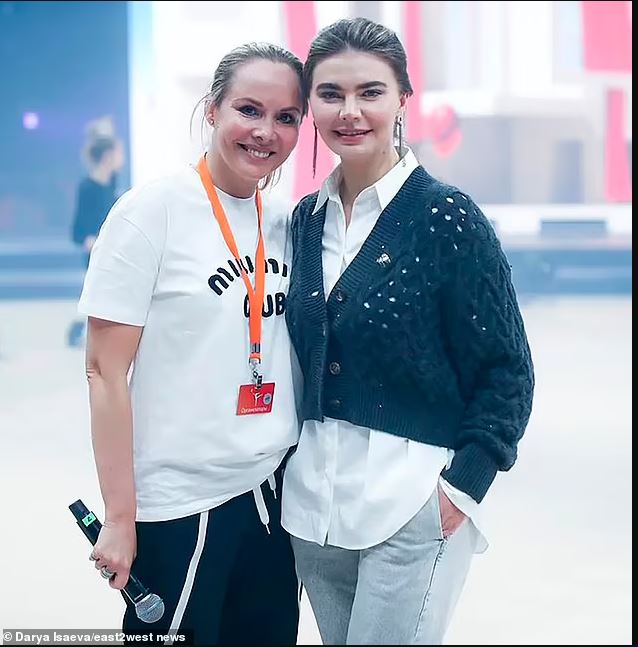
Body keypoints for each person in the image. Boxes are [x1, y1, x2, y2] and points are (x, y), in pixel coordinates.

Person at [283, 18, 535, 645]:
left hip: (410, 507)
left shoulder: (446, 217)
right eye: (331, 94)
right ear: (311, 104)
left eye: (370, 92)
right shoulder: (304, 222)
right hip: (316, 513)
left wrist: (464, 486)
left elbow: (507, 370)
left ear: (402, 99)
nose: (350, 111)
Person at [77, 43, 307, 645]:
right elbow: (104, 373)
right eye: (248, 110)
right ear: (212, 109)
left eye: (285, 117)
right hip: (179, 504)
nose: (265, 131)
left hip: (271, 497)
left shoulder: (286, 221)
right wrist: (120, 517)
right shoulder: (149, 213)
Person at [68, 122, 124, 347]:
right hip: (96, 253)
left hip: (114, 250)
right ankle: (86, 334)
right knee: (98, 299)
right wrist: (89, 240)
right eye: (118, 152)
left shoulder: (113, 183)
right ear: (108, 156)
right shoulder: (87, 187)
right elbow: (77, 230)